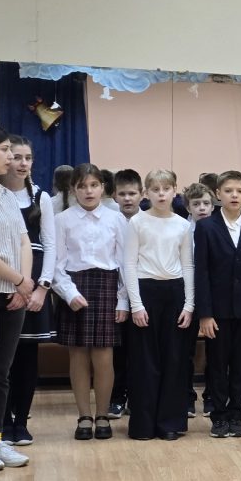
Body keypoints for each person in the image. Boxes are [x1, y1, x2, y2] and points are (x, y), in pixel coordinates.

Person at [53, 163, 129, 440]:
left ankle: (103, 414)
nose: (88, 191)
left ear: (103, 188)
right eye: (82, 186)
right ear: (73, 189)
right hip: (75, 286)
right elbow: (56, 263)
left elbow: (125, 263)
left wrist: (123, 301)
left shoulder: (116, 219)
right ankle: (84, 415)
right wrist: (69, 293)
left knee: (104, 355)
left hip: (107, 286)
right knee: (78, 354)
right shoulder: (62, 220)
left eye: (94, 185)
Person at [194, 170, 241, 439]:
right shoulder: (206, 227)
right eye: (228, 191)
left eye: (239, 191)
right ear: (218, 194)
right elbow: (201, 272)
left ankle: (237, 415)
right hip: (217, 310)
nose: (234, 195)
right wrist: (205, 313)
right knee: (217, 363)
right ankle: (219, 416)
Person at [124, 169, 194, 441]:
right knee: (145, 362)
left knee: (174, 361)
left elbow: (187, 265)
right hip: (146, 292)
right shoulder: (137, 222)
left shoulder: (182, 225)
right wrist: (136, 305)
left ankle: (169, 423)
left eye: (166, 189)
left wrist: (189, 304)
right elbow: (129, 264)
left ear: (175, 190)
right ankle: (143, 425)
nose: (161, 194)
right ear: (146, 193)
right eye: (155, 189)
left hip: (174, 293)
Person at [0, 136, 54, 447]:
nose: (22, 163)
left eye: (28, 158)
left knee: (27, 358)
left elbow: (51, 246)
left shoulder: (41, 197)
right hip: (3, 283)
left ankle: (21, 422)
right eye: (16, 157)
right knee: (2, 359)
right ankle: (2, 423)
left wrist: (42, 288)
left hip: (33, 286)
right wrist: (12, 286)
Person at [0, 127, 32, 470]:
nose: (11, 156)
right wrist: (18, 280)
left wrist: (24, 283)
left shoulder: (6, 194)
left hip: (13, 293)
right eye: (4, 150)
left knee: (2, 372)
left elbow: (22, 240)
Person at [106, 168, 143, 420]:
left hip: (144, 295)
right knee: (117, 351)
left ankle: (138, 397)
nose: (127, 198)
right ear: (114, 195)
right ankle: (116, 398)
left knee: (140, 351)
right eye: (122, 194)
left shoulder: (149, 220)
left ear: (141, 194)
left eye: (132, 193)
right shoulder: (109, 221)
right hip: (115, 295)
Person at [182, 182, 215, 418]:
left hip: (213, 297)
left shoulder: (218, 229)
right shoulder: (182, 230)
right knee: (185, 351)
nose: (202, 208)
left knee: (216, 351)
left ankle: (212, 396)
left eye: (206, 203)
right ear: (188, 207)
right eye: (196, 204)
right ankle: (186, 397)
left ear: (213, 206)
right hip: (185, 296)